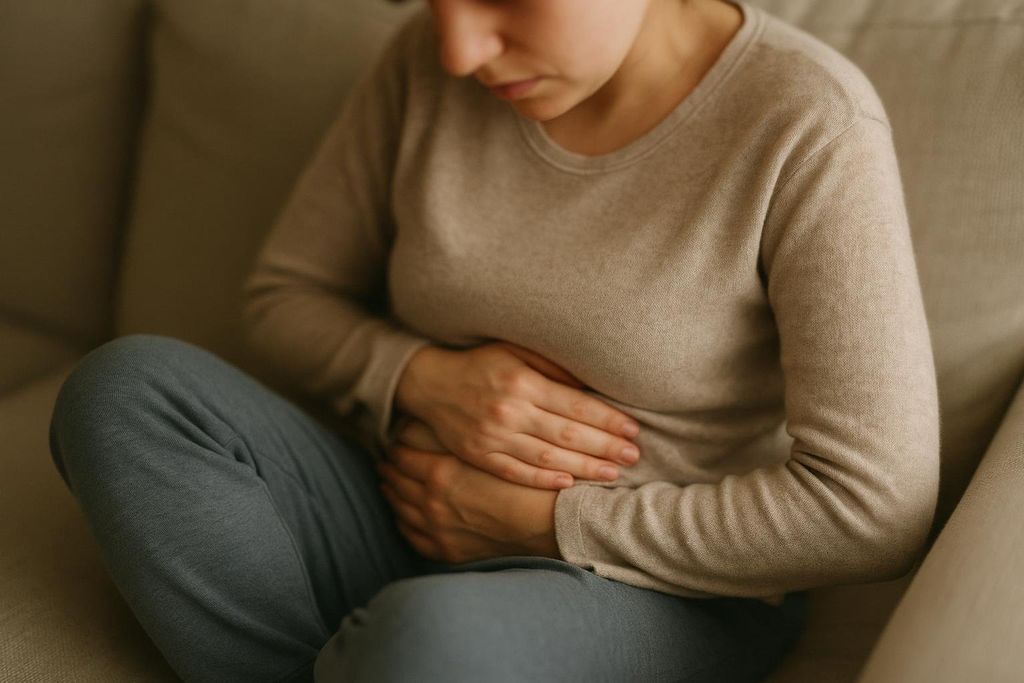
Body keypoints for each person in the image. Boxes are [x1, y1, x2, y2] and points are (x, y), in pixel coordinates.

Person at [47, 0, 941, 681]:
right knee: (124, 394)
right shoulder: (424, 67)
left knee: (423, 642)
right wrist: (424, 379)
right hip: (391, 503)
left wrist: (539, 522)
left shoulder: (805, 120)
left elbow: (873, 506)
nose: (458, 50)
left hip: (652, 587)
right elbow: (286, 295)